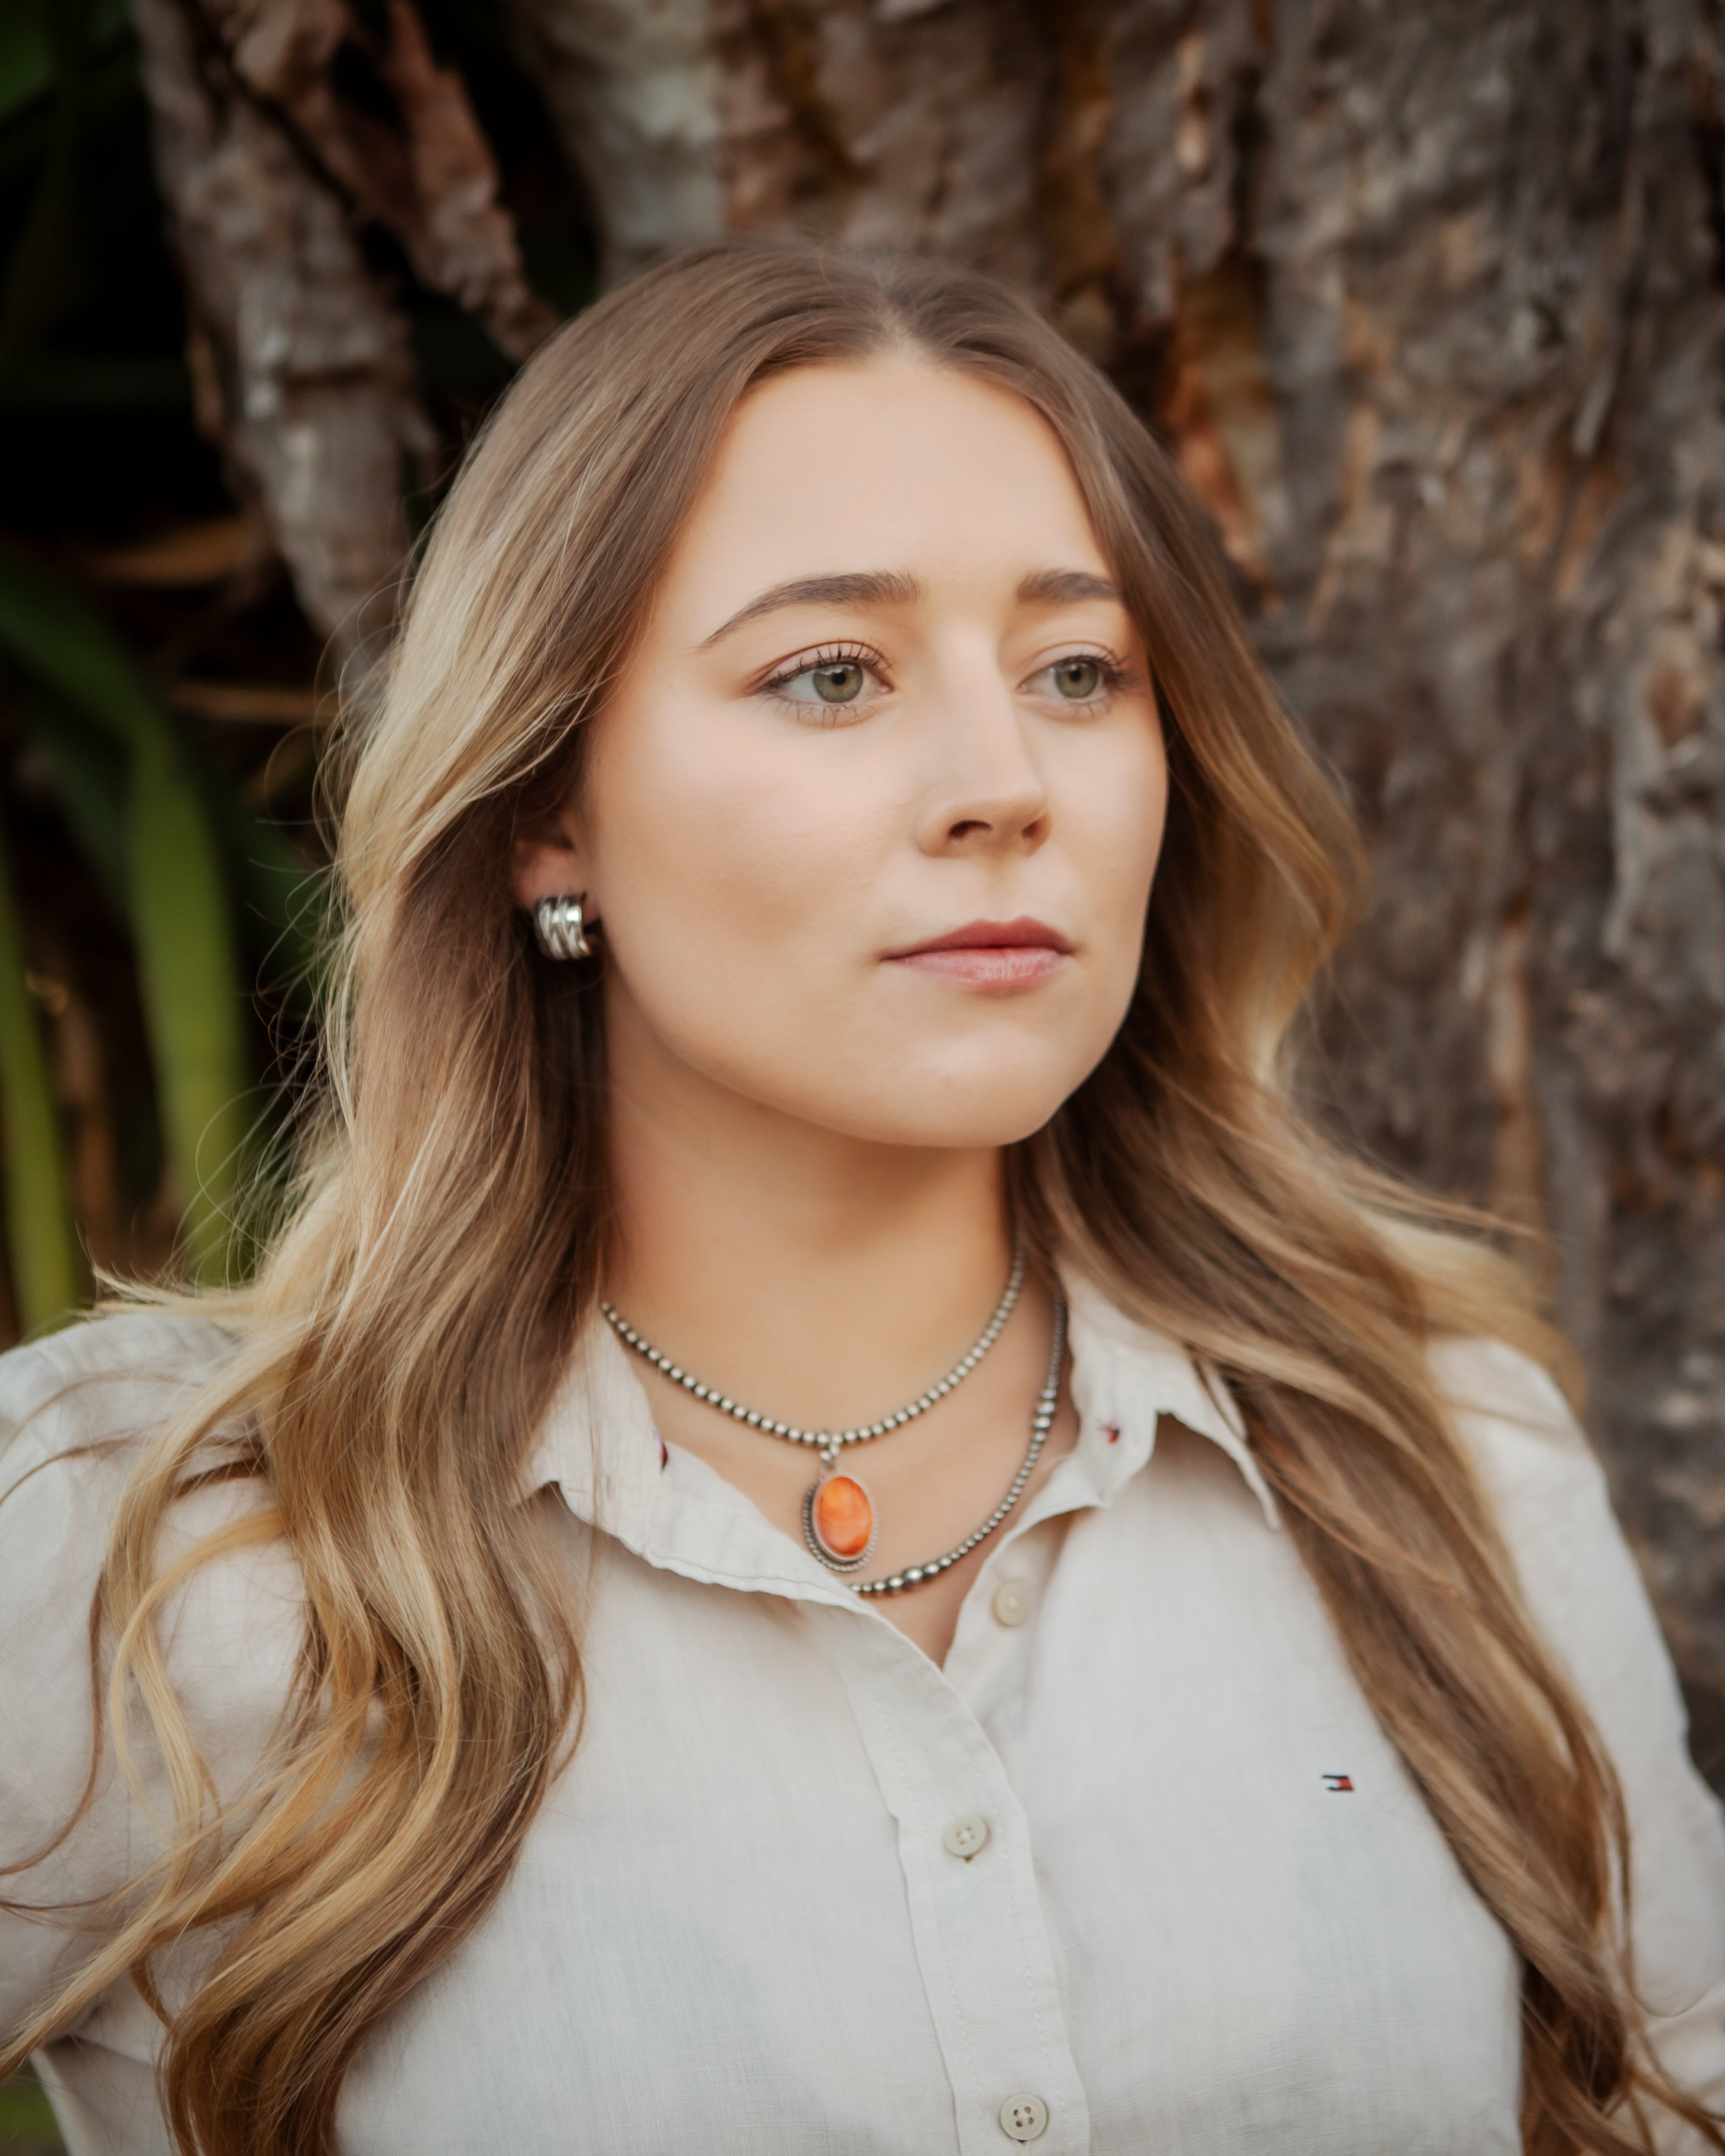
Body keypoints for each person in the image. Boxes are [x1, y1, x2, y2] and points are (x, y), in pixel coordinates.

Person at [2, 242, 1723, 2156]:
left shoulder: (1442, 1460)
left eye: (1080, 672)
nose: (1007, 783)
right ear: (550, 812)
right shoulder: (131, 1549)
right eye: (831, 675)